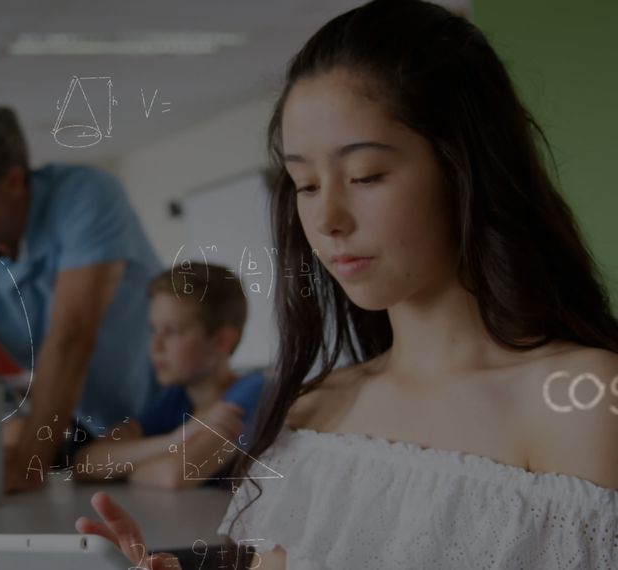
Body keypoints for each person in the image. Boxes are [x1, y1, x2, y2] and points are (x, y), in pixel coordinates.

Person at [75, 1, 618, 568]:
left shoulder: (584, 400)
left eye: (365, 176)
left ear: (467, 169)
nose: (328, 218)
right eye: (305, 185)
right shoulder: (317, 408)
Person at [0, 104, 161, 492]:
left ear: (12, 181)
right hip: (93, 428)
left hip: (172, 411)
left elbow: (70, 340)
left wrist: (26, 468)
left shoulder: (88, 197)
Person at [77, 263, 264, 489]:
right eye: (153, 329)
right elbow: (86, 463)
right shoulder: (175, 400)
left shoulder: (252, 394)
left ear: (221, 341)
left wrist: (126, 467)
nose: (154, 346)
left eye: (172, 331)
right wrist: (175, 440)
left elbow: (173, 475)